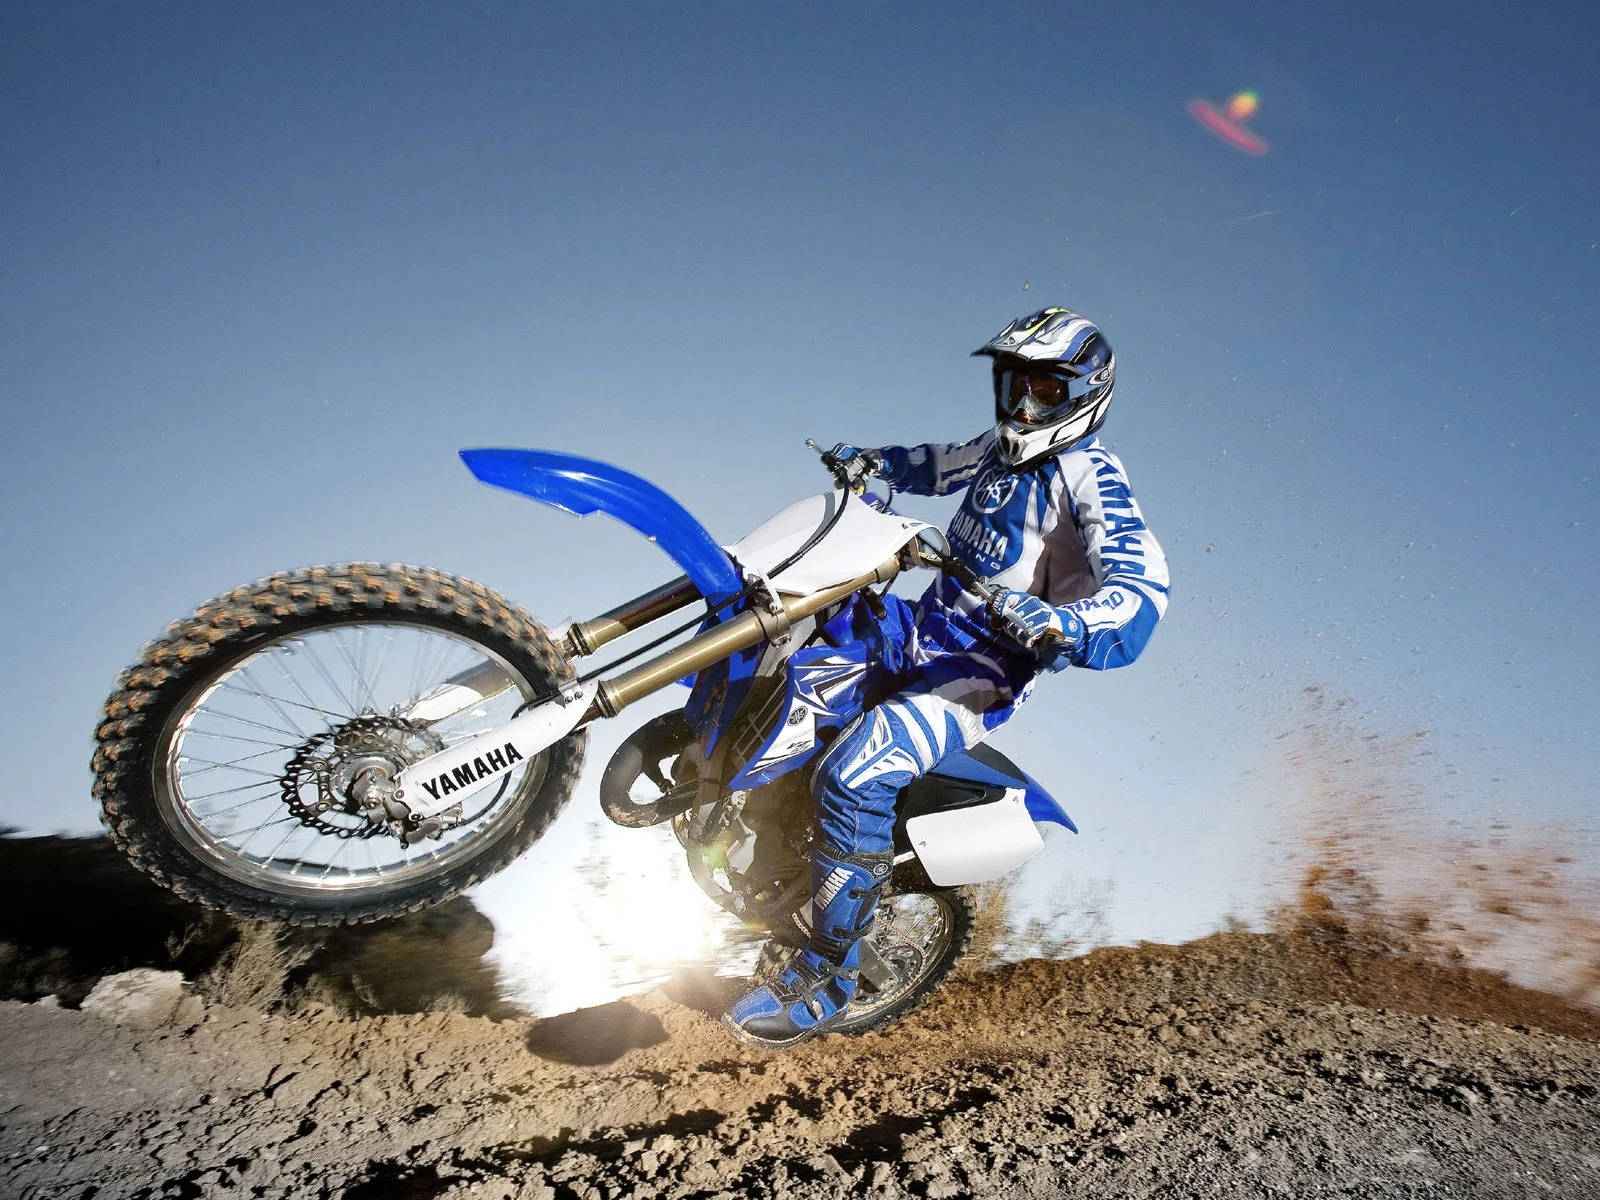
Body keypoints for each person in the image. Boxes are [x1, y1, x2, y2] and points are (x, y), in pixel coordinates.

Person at [722, 307, 1171, 1050]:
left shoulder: (1094, 478)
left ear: (1088, 394)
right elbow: (940, 465)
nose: (1024, 406)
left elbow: (1141, 588)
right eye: (1013, 386)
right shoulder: (999, 452)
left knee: (856, 773)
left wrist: (1068, 621)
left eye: (1045, 391)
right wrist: (878, 464)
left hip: (977, 671)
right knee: (788, 636)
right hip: (915, 628)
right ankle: (755, 832)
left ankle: (829, 978)